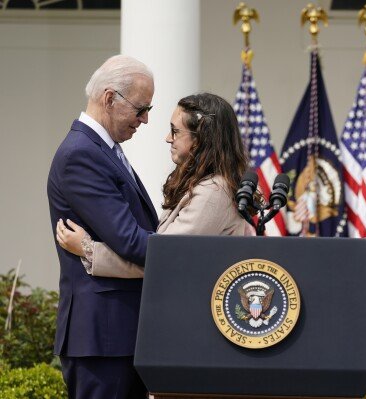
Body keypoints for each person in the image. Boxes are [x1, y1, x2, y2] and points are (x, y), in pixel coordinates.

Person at [47, 55, 158, 399]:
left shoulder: (103, 150)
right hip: (103, 338)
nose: (146, 120)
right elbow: (129, 240)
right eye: (141, 109)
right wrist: (187, 254)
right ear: (110, 98)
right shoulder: (82, 154)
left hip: (119, 335)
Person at [56, 92, 251, 278]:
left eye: (175, 131)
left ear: (201, 139)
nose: (168, 138)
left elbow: (166, 256)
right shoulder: (208, 186)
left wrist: (89, 250)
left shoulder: (214, 192)